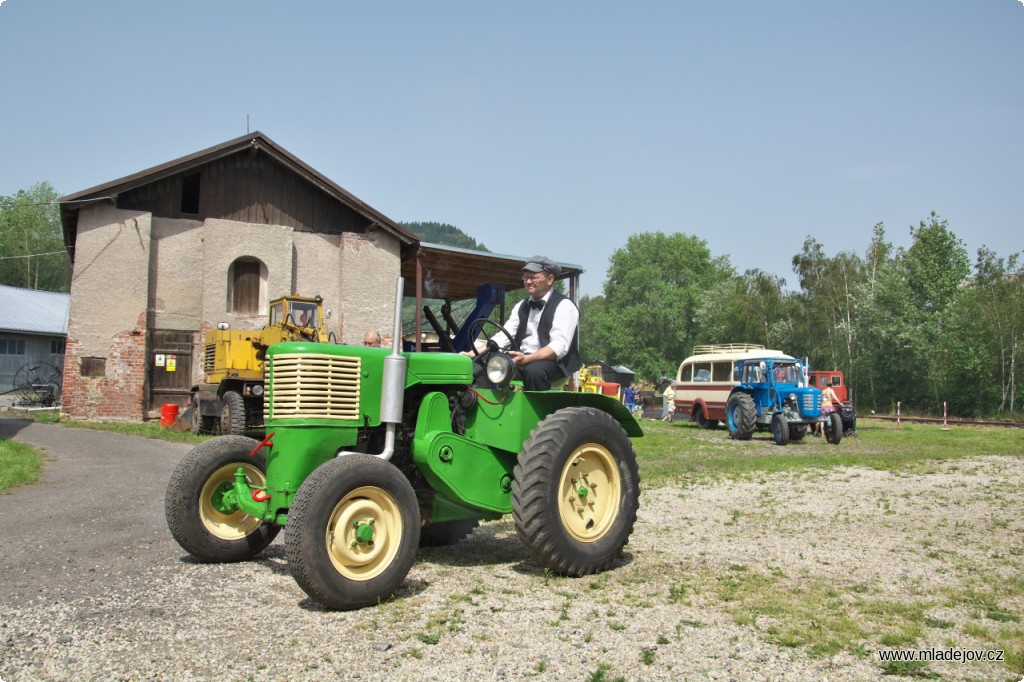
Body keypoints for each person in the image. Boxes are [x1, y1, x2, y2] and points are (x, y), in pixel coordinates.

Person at [464, 255, 580, 391]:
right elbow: (502, 337)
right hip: (522, 359)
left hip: (555, 363)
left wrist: (528, 358)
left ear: (550, 280)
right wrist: (471, 354)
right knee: (486, 363)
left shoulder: (564, 306)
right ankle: (485, 405)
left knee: (535, 372)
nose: (528, 281)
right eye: (525, 277)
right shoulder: (521, 306)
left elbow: (558, 347)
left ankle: (538, 411)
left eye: (534, 277)